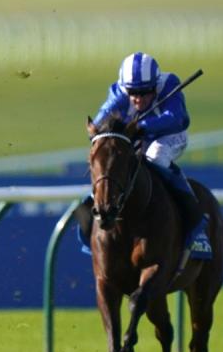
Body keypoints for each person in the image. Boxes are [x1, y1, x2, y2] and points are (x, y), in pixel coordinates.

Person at [87, 51, 209, 255]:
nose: (139, 99)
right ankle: (91, 217)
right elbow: (100, 123)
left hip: (170, 136)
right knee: (109, 163)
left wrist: (142, 127)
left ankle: (194, 219)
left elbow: (178, 118)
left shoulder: (169, 83)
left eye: (146, 92)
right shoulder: (118, 93)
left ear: (156, 84)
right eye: (133, 92)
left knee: (155, 156)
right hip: (135, 139)